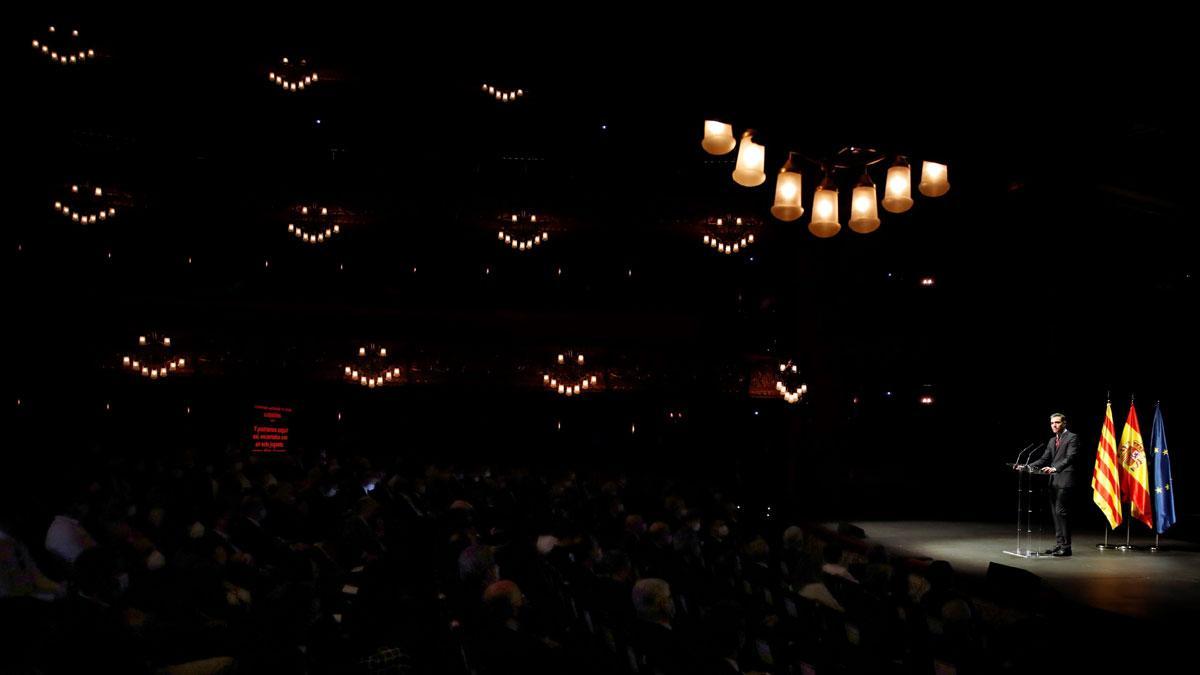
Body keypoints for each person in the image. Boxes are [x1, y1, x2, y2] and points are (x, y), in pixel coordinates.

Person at [1021, 412, 1079, 556]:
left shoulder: (1072, 437)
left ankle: (1066, 547)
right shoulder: (1052, 440)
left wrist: (1055, 468)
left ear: (1064, 423)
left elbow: (1070, 457)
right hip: (1053, 481)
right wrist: (1026, 465)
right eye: (1052, 423)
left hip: (1065, 480)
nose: (1054, 425)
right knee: (1055, 513)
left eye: (1057, 422)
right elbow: (1044, 458)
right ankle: (1060, 545)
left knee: (1061, 512)